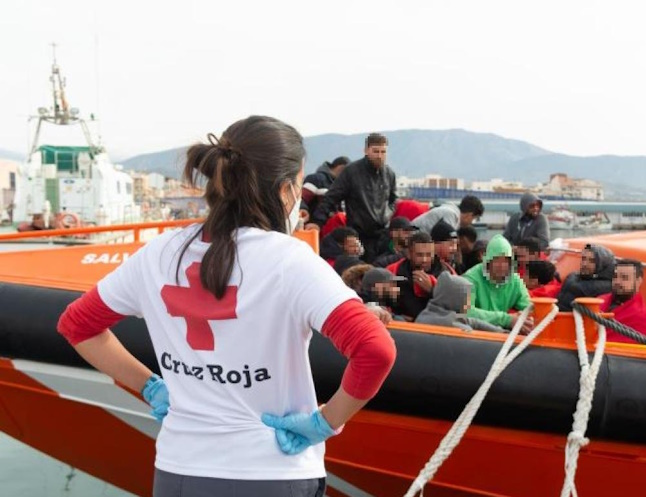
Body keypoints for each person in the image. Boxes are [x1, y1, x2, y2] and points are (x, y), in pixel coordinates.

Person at [55, 116, 396, 497]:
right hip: (272, 476)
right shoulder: (289, 261)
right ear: (286, 191)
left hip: (178, 473)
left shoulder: (158, 254)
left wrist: (150, 387)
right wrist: (325, 422)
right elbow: (375, 350)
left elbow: (76, 325)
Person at [308, 133, 397, 262]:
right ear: (366, 151)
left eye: (383, 152)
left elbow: (393, 200)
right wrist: (317, 222)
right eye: (376, 151)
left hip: (381, 235)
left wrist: (387, 214)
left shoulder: (389, 174)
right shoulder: (351, 172)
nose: (379, 156)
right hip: (357, 235)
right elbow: (331, 197)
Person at [461, 235, 535, 332]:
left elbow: (530, 307)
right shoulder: (470, 279)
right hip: (475, 333)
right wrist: (507, 319)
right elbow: (466, 312)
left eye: (505, 261)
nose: (501, 266)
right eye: (496, 260)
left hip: (502, 335)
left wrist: (526, 318)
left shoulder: (515, 281)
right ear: (488, 261)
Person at [416, 273, 506, 332]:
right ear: (454, 300)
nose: (469, 305)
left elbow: (471, 321)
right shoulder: (456, 328)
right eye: (466, 300)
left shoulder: (426, 313)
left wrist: (502, 332)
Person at [386, 231, 445, 320]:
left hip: (437, 325)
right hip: (402, 326)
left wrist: (432, 290)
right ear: (409, 254)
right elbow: (381, 303)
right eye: (419, 255)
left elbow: (457, 305)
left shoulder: (446, 273)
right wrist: (396, 317)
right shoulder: (393, 271)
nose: (424, 260)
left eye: (429, 255)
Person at [599, 259, 646, 343]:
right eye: (616, 276)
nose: (617, 282)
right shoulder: (601, 300)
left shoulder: (640, 317)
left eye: (624, 278)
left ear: (638, 282)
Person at [556, 243, 616, 311]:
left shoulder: (606, 286)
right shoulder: (579, 277)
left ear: (601, 264)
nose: (584, 263)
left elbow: (579, 288)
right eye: (584, 259)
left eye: (591, 261)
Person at [299, 156, 350, 223]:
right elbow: (301, 198)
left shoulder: (342, 188)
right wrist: (303, 209)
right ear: (341, 168)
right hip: (312, 227)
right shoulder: (317, 179)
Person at [411, 195, 485, 235]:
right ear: (469, 215)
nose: (472, 223)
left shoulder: (452, 212)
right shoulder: (450, 215)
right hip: (412, 237)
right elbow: (445, 240)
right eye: (475, 219)